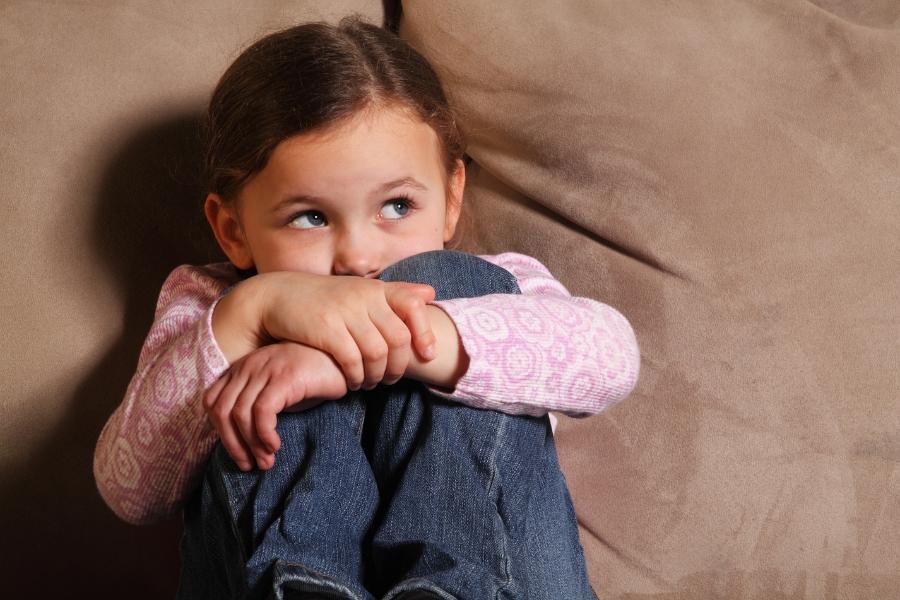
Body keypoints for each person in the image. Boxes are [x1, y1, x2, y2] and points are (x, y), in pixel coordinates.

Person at [93, 16, 640, 600]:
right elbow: (129, 490)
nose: (358, 255)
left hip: (503, 582)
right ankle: (305, 585)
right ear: (233, 230)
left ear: (451, 198)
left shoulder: (504, 288)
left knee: (443, 280)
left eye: (397, 205)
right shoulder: (210, 305)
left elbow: (614, 356)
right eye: (311, 217)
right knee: (266, 355)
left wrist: (366, 347)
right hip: (262, 582)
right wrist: (255, 310)